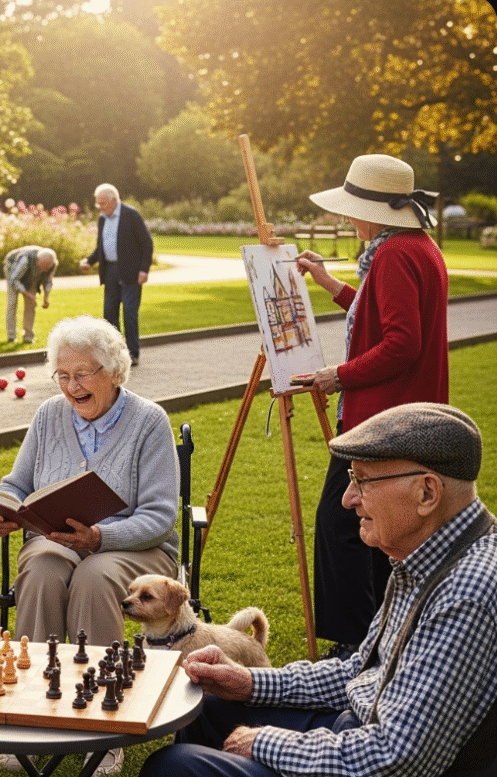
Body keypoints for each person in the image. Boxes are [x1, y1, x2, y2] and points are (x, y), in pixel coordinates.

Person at [140, 402, 497, 777]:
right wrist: (248, 682)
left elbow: (396, 756)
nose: (348, 498)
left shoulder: (466, 593)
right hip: (356, 727)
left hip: (374, 756)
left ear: (427, 493)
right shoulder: (427, 555)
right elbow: (361, 672)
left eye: (363, 481)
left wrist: (263, 741)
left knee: (173, 767)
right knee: (207, 709)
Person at [0, 316, 178, 775]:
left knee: (94, 577)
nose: (72, 386)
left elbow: (159, 515)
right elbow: (17, 482)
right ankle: (29, 716)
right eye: (63, 375)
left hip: (135, 547)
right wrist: (5, 508)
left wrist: (100, 537)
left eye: (83, 374)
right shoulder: (50, 414)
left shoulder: (150, 422)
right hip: (56, 539)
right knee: (43, 570)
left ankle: (104, 725)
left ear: (113, 371)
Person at [295, 153, 448, 658]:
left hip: (383, 420)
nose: (347, 218)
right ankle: (386, 631)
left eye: (353, 208)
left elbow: (402, 342)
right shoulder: (414, 246)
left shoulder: (393, 254)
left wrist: (337, 375)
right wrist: (329, 283)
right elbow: (379, 316)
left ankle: (354, 642)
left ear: (377, 211)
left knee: (340, 525)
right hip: (402, 415)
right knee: (389, 527)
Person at [79, 184, 153, 365]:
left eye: (103, 203)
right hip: (110, 272)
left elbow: (147, 243)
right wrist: (89, 260)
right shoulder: (103, 219)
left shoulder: (131, 215)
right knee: (109, 314)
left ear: (114, 200)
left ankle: (133, 353)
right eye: (98, 204)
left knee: (129, 312)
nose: (101, 207)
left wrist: (144, 270)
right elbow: (101, 248)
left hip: (131, 272)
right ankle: (115, 353)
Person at [3, 245, 58, 343]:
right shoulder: (25, 260)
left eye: (47, 267)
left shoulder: (52, 263)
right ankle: (11, 336)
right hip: (13, 272)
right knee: (12, 303)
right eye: (43, 266)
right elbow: (14, 279)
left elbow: (48, 280)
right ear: (37, 260)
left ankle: (28, 337)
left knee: (31, 305)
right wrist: (27, 293)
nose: (44, 270)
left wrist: (46, 296)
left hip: (32, 276)